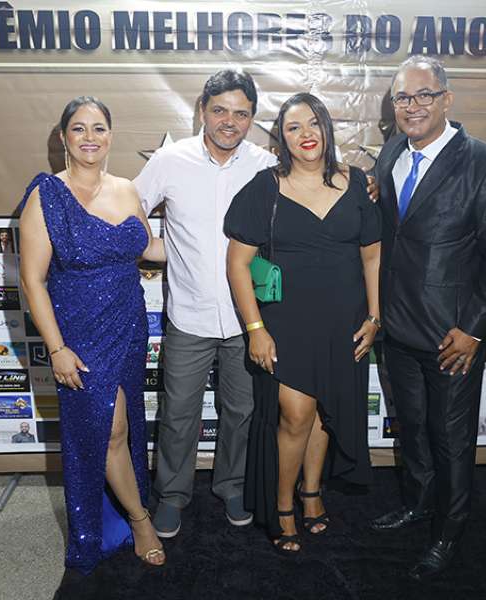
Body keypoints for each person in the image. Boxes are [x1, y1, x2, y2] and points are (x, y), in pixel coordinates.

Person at [133, 70, 379, 538]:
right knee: (179, 413)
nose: (230, 121)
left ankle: (232, 486)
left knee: (242, 414)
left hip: (253, 319)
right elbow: (130, 209)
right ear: (202, 111)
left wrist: (370, 186)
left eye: (241, 113)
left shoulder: (268, 165)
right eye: (220, 111)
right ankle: (172, 496)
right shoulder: (169, 160)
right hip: (191, 313)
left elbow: (331, 189)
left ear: (252, 119)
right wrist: (158, 248)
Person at [369, 56, 486, 580]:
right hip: (397, 327)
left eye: (424, 95)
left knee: (451, 441)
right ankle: (418, 504)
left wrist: (474, 330)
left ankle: (448, 533)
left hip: (452, 335)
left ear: (446, 100)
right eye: (402, 98)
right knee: (412, 430)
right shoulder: (391, 153)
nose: (412, 106)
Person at [225, 92, 381, 554]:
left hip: (344, 321)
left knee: (324, 414)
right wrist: (256, 330)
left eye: (313, 123)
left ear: (327, 128)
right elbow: (238, 265)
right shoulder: (264, 187)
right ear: (282, 139)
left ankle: (311, 492)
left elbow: (372, 256)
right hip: (286, 324)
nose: (306, 134)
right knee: (295, 414)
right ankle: (282, 506)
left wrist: (375, 316)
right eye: (293, 127)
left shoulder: (357, 183)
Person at [19, 96, 167, 572]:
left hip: (128, 325)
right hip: (79, 333)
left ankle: (125, 510)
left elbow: (148, 248)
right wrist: (57, 348)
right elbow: (33, 281)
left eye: (99, 128)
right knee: (109, 429)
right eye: (79, 128)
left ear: (110, 136)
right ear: (63, 138)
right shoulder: (46, 195)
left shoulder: (126, 189)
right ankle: (140, 520)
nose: (90, 137)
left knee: (124, 425)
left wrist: (212, 241)